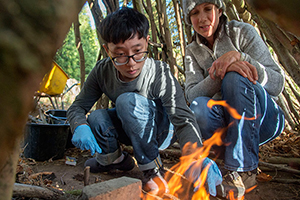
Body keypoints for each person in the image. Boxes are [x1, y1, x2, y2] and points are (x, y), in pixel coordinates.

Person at [67, 7, 222, 197]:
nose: (131, 63)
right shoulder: (102, 71)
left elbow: (182, 117)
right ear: (107, 50)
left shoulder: (159, 73)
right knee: (97, 117)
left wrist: (196, 155)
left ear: (147, 42)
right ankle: (115, 160)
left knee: (126, 101)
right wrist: (78, 125)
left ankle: (153, 170)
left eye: (138, 51)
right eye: (120, 54)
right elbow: (77, 107)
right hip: (129, 128)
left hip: (162, 131)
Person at [182, 0, 285, 198]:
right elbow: (191, 94)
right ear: (189, 19)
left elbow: (277, 83)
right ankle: (230, 160)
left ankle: (243, 169)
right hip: (225, 126)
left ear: (219, 10)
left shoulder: (241, 32)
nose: (202, 18)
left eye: (207, 9)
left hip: (263, 120)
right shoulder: (192, 50)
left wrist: (241, 58)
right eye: (194, 13)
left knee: (236, 77)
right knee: (198, 107)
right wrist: (221, 70)